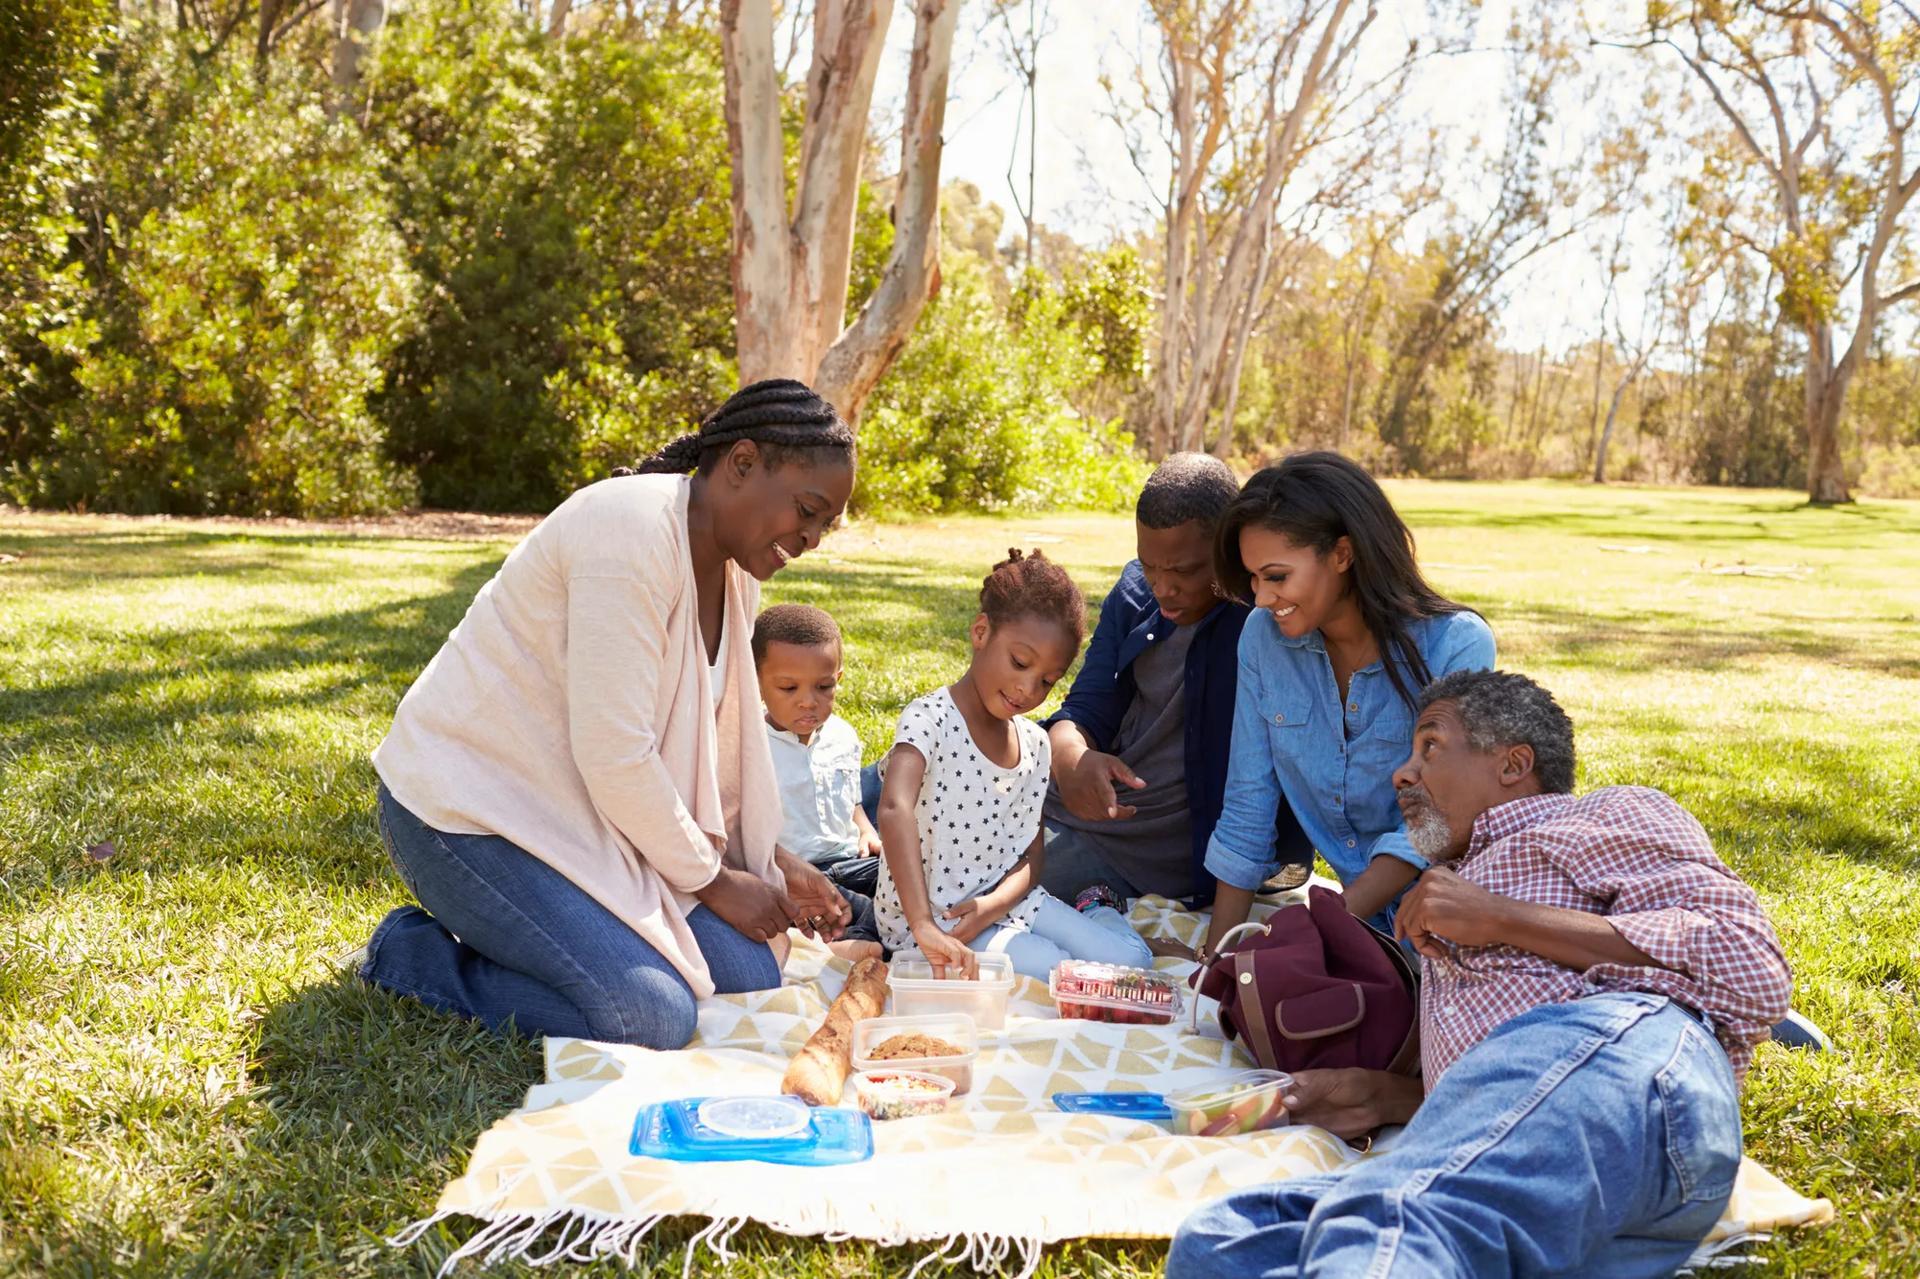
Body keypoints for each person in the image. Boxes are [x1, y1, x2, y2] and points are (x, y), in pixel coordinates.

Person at [1168, 670, 1792, 1279]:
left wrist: (1500, 917)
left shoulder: (1603, 816)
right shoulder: (1449, 886)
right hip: (1589, 1168)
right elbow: (1516, 1098)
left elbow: (1749, 965)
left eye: (1431, 745)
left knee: (1397, 1229)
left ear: (1514, 765)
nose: (1403, 772)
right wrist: (1384, 1095)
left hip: (1629, 1057)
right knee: (1221, 1242)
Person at [359, 379, 859, 1050]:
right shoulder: (631, 532)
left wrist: (772, 861)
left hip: (579, 815)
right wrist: (713, 880)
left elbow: (692, 755)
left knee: (748, 966)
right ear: (741, 463)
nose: (813, 538)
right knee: (647, 1014)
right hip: (465, 813)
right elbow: (615, 753)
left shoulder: (734, 571)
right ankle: (408, 953)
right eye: (808, 509)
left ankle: (554, 937)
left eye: (825, 524)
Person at [1200, 452, 1495, 961]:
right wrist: (1217, 956)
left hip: (1461, 921)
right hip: (1362, 922)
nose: (1262, 598)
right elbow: (1249, 801)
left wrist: (1318, 930)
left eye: (1276, 576)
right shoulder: (1262, 640)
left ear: (1342, 554)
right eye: (1253, 579)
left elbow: (1437, 822)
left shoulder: (1456, 645)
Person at [1040, 454, 1313, 915]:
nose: (1163, 587)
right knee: (917, 777)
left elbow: (1256, 794)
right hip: (1074, 800)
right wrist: (1071, 757)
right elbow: (1087, 706)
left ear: (1230, 547)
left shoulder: (1264, 620)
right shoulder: (1136, 592)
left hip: (1148, 851)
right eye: (1151, 566)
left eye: (1184, 571)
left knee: (962, 866)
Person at [874, 550, 1156, 981]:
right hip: (937, 922)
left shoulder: (1036, 743)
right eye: (1020, 663)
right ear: (981, 632)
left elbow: (1031, 853)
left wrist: (996, 904)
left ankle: (1097, 907)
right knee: (1064, 974)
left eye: (1047, 680)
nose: (1028, 688)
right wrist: (923, 924)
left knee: (1135, 964)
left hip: (1008, 903)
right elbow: (894, 809)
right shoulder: (928, 718)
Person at [753, 602, 886, 963]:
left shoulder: (843, 735)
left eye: (824, 687)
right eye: (788, 688)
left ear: (838, 679)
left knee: (910, 877)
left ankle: (869, 931)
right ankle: (845, 942)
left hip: (849, 859)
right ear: (757, 682)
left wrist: (865, 831)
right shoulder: (751, 745)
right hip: (796, 873)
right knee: (853, 907)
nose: (807, 702)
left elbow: (850, 800)